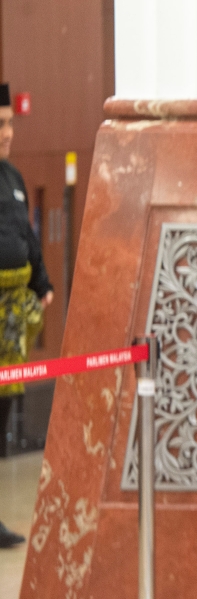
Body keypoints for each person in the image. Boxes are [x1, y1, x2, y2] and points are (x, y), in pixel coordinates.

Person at [0, 82, 53, 549]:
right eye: (0, 125)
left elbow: (29, 235)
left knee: (3, 410)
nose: (7, 133)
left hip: (12, 317)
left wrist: (43, 283)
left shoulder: (14, 178)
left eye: (10, 123)